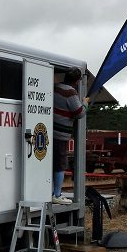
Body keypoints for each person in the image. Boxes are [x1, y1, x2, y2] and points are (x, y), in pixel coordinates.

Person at [52, 67, 88, 205]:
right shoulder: (71, 92)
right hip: (61, 134)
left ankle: (50, 192)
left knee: (51, 164)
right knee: (60, 164)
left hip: (50, 131)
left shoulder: (55, 87)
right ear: (77, 80)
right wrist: (85, 102)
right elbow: (79, 113)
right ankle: (57, 194)